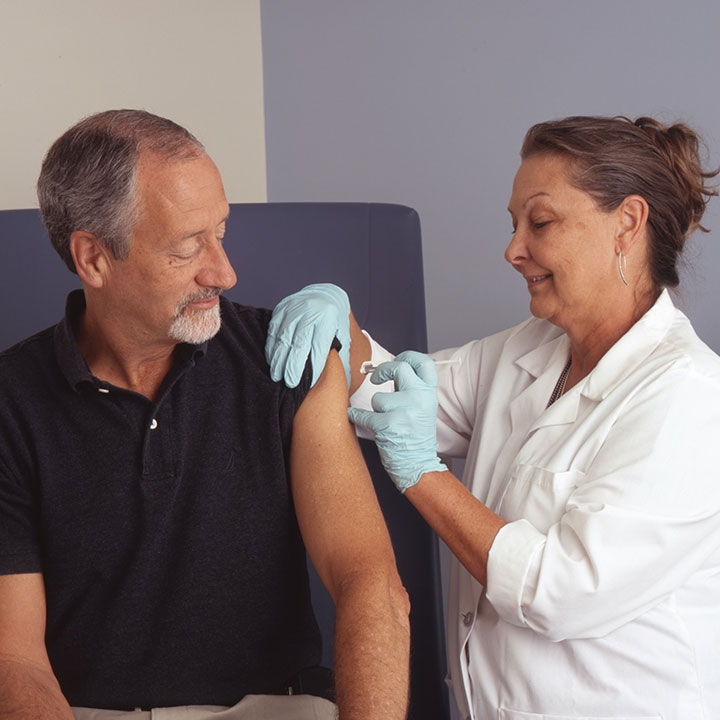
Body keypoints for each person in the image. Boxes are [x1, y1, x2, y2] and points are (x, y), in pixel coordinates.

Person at [265, 115, 720, 719]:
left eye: (541, 222)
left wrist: (424, 475)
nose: (513, 250)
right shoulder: (526, 351)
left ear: (627, 225)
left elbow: (561, 592)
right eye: (514, 225)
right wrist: (340, 326)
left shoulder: (687, 397)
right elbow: (391, 392)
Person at [0, 110, 410, 720]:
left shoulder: (284, 359)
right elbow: (16, 661)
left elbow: (370, 586)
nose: (224, 272)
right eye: (187, 246)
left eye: (220, 231)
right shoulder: (11, 404)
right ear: (93, 259)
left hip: (271, 708)